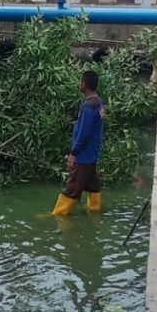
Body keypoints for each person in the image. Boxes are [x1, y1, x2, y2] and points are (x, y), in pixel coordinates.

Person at [52, 70, 105, 216]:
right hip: (92, 154)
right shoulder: (99, 103)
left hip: (83, 155)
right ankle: (95, 212)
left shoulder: (89, 106)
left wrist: (73, 153)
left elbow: (84, 133)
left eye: (80, 81)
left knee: (73, 186)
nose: (79, 84)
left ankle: (58, 215)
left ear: (84, 84)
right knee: (92, 185)